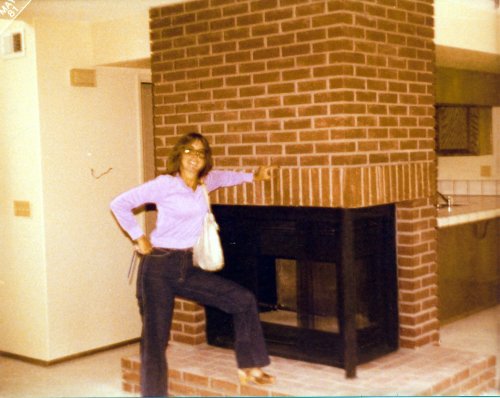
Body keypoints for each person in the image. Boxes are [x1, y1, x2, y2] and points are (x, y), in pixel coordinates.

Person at [110, 132, 275, 397]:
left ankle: (250, 367)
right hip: (158, 267)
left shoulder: (204, 183)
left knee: (243, 299)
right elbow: (119, 204)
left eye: (200, 153)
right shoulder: (165, 184)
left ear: (204, 159)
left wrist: (253, 176)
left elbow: (225, 176)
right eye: (189, 151)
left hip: (185, 266)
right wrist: (138, 236)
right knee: (156, 340)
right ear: (179, 155)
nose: (194, 157)